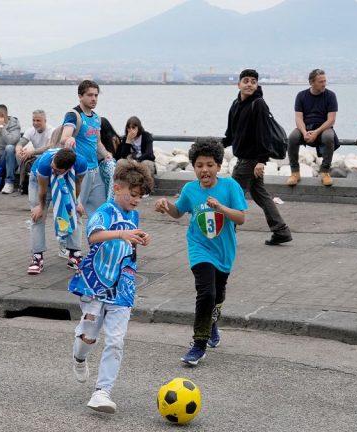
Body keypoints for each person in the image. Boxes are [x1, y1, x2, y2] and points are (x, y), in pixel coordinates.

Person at [69, 159, 154, 414]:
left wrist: (140, 237)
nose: (137, 200)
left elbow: (130, 240)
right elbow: (94, 236)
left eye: (140, 196)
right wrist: (121, 234)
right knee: (89, 337)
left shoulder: (134, 214)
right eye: (133, 194)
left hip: (123, 287)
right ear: (117, 188)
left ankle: (101, 392)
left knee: (116, 340)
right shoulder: (104, 212)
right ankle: (79, 357)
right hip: (95, 286)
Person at [154, 140, 247, 366]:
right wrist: (167, 207)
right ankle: (198, 345)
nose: (204, 170)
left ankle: (212, 323)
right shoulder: (190, 189)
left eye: (209, 165)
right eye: (199, 165)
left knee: (217, 296)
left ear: (218, 166)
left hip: (224, 251)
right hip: (199, 248)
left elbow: (241, 218)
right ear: (194, 167)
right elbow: (179, 212)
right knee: (206, 293)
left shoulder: (230, 187)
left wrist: (221, 208)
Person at [223, 69, 292, 246]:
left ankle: (227, 234)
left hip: (252, 160)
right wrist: (214, 146)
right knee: (260, 194)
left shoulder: (259, 104)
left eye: (253, 81)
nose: (249, 84)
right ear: (238, 84)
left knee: (232, 194)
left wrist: (262, 160)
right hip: (245, 158)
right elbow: (230, 135)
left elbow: (264, 134)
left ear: (257, 85)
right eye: (246, 80)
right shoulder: (235, 104)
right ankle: (281, 231)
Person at [58, 80, 113, 217]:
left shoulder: (96, 118)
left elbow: (98, 142)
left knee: (99, 212)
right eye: (89, 95)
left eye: (96, 95)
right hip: (80, 171)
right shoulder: (73, 115)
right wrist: (69, 138)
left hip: (95, 170)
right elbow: (64, 137)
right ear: (80, 96)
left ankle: (97, 238)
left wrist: (106, 154)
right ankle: (68, 238)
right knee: (76, 212)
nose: (94, 99)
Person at [28, 148, 87, 274]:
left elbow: (78, 184)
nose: (53, 170)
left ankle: (74, 254)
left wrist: (76, 202)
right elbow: (43, 191)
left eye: (57, 170)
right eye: (53, 167)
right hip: (39, 181)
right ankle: (37, 257)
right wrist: (41, 207)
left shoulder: (81, 164)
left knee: (76, 213)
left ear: (68, 168)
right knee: (37, 217)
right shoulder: (45, 164)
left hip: (67, 180)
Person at [286, 69, 339, 187]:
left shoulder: (330, 95)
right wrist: (304, 132)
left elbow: (331, 120)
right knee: (293, 137)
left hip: (324, 127)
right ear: (311, 82)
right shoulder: (301, 95)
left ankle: (325, 172)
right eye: (321, 81)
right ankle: (295, 172)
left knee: (328, 136)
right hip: (306, 127)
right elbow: (298, 118)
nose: (324, 84)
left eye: (325, 81)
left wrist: (316, 132)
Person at [16, 109, 54, 194]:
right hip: (37, 157)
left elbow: (48, 148)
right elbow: (20, 143)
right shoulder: (30, 130)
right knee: (20, 154)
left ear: (45, 121)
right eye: (34, 120)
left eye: (38, 120)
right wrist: (19, 151)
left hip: (48, 157)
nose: (35, 123)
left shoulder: (51, 130)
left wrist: (32, 152)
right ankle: (22, 183)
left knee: (40, 157)